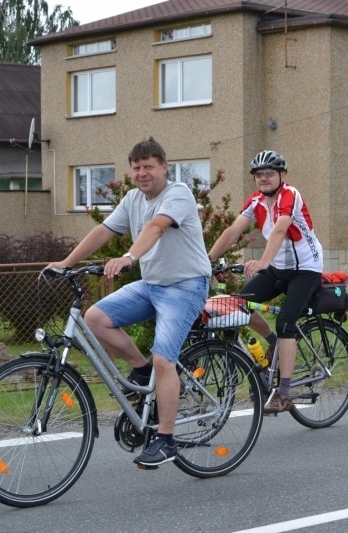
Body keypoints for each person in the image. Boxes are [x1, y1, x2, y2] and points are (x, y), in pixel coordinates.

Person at [47, 137, 211, 467]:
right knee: (95, 319)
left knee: (165, 360)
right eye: (136, 168)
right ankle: (141, 370)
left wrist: (129, 256)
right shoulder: (133, 199)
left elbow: (157, 227)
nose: (142, 173)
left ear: (164, 167)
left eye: (149, 166)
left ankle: (165, 440)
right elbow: (103, 232)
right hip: (152, 285)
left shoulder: (177, 194)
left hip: (186, 287)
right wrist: (66, 263)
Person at [207, 150, 323, 414]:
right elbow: (233, 231)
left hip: (305, 268)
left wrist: (262, 262)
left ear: (283, 175)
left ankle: (283, 393)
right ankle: (273, 344)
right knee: (238, 305)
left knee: (286, 324)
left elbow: (281, 229)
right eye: (259, 175)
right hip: (278, 267)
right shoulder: (256, 200)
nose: (263, 179)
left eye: (269, 174)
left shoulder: (290, 195)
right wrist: (207, 260)